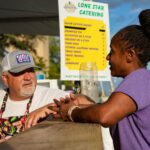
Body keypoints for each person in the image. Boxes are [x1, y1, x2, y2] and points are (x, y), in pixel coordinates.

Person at [51, 9, 150, 150]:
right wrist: (72, 107)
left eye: (112, 51)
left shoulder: (140, 78)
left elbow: (105, 115)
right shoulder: (142, 80)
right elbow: (108, 108)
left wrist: (71, 112)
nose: (107, 57)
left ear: (130, 54)